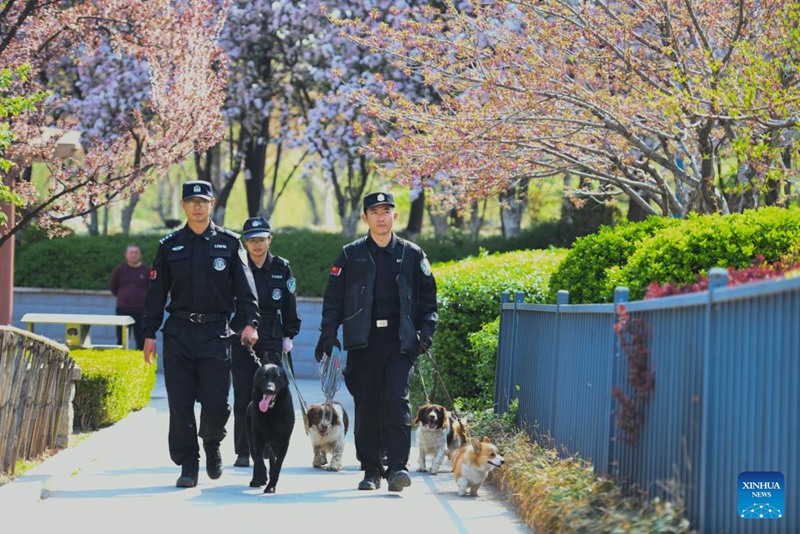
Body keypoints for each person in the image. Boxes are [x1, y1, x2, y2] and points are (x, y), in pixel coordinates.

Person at [315, 191, 438, 492]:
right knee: (367, 405)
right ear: (365, 217)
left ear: (395, 216)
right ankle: (370, 469)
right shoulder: (350, 254)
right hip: (363, 342)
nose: (381, 217)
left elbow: (429, 301)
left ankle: (397, 467)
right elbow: (333, 300)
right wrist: (328, 334)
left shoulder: (412, 254)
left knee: (397, 402)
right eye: (375, 211)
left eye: (387, 211)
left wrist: (425, 331)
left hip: (399, 342)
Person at [141, 180, 260, 489]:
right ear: (183, 205)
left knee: (217, 403)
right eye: (191, 201)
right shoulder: (169, 246)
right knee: (180, 404)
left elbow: (246, 291)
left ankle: (211, 443)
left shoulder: (230, 244)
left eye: (202, 201)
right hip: (179, 332)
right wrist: (149, 333)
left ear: (212, 204)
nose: (197, 206)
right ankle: (189, 463)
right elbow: (155, 293)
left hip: (216, 333)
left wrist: (250, 324)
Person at [230, 216, 301, 468]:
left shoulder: (282, 267)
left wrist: (289, 334)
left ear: (270, 239)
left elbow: (290, 302)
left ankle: (269, 445)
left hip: (271, 336)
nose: (257, 245)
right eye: (251, 240)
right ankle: (243, 450)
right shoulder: (237, 266)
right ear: (244, 242)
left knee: (270, 395)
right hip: (241, 337)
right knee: (243, 395)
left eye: (261, 239)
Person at [109, 244, 149, 350]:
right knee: (121, 341)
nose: (133, 255)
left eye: (136, 252)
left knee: (141, 341)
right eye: (131, 253)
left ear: (140, 255)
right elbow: (113, 287)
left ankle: (141, 365)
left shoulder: (146, 271)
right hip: (123, 310)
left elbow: (151, 289)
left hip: (141, 311)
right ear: (126, 255)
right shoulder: (119, 270)